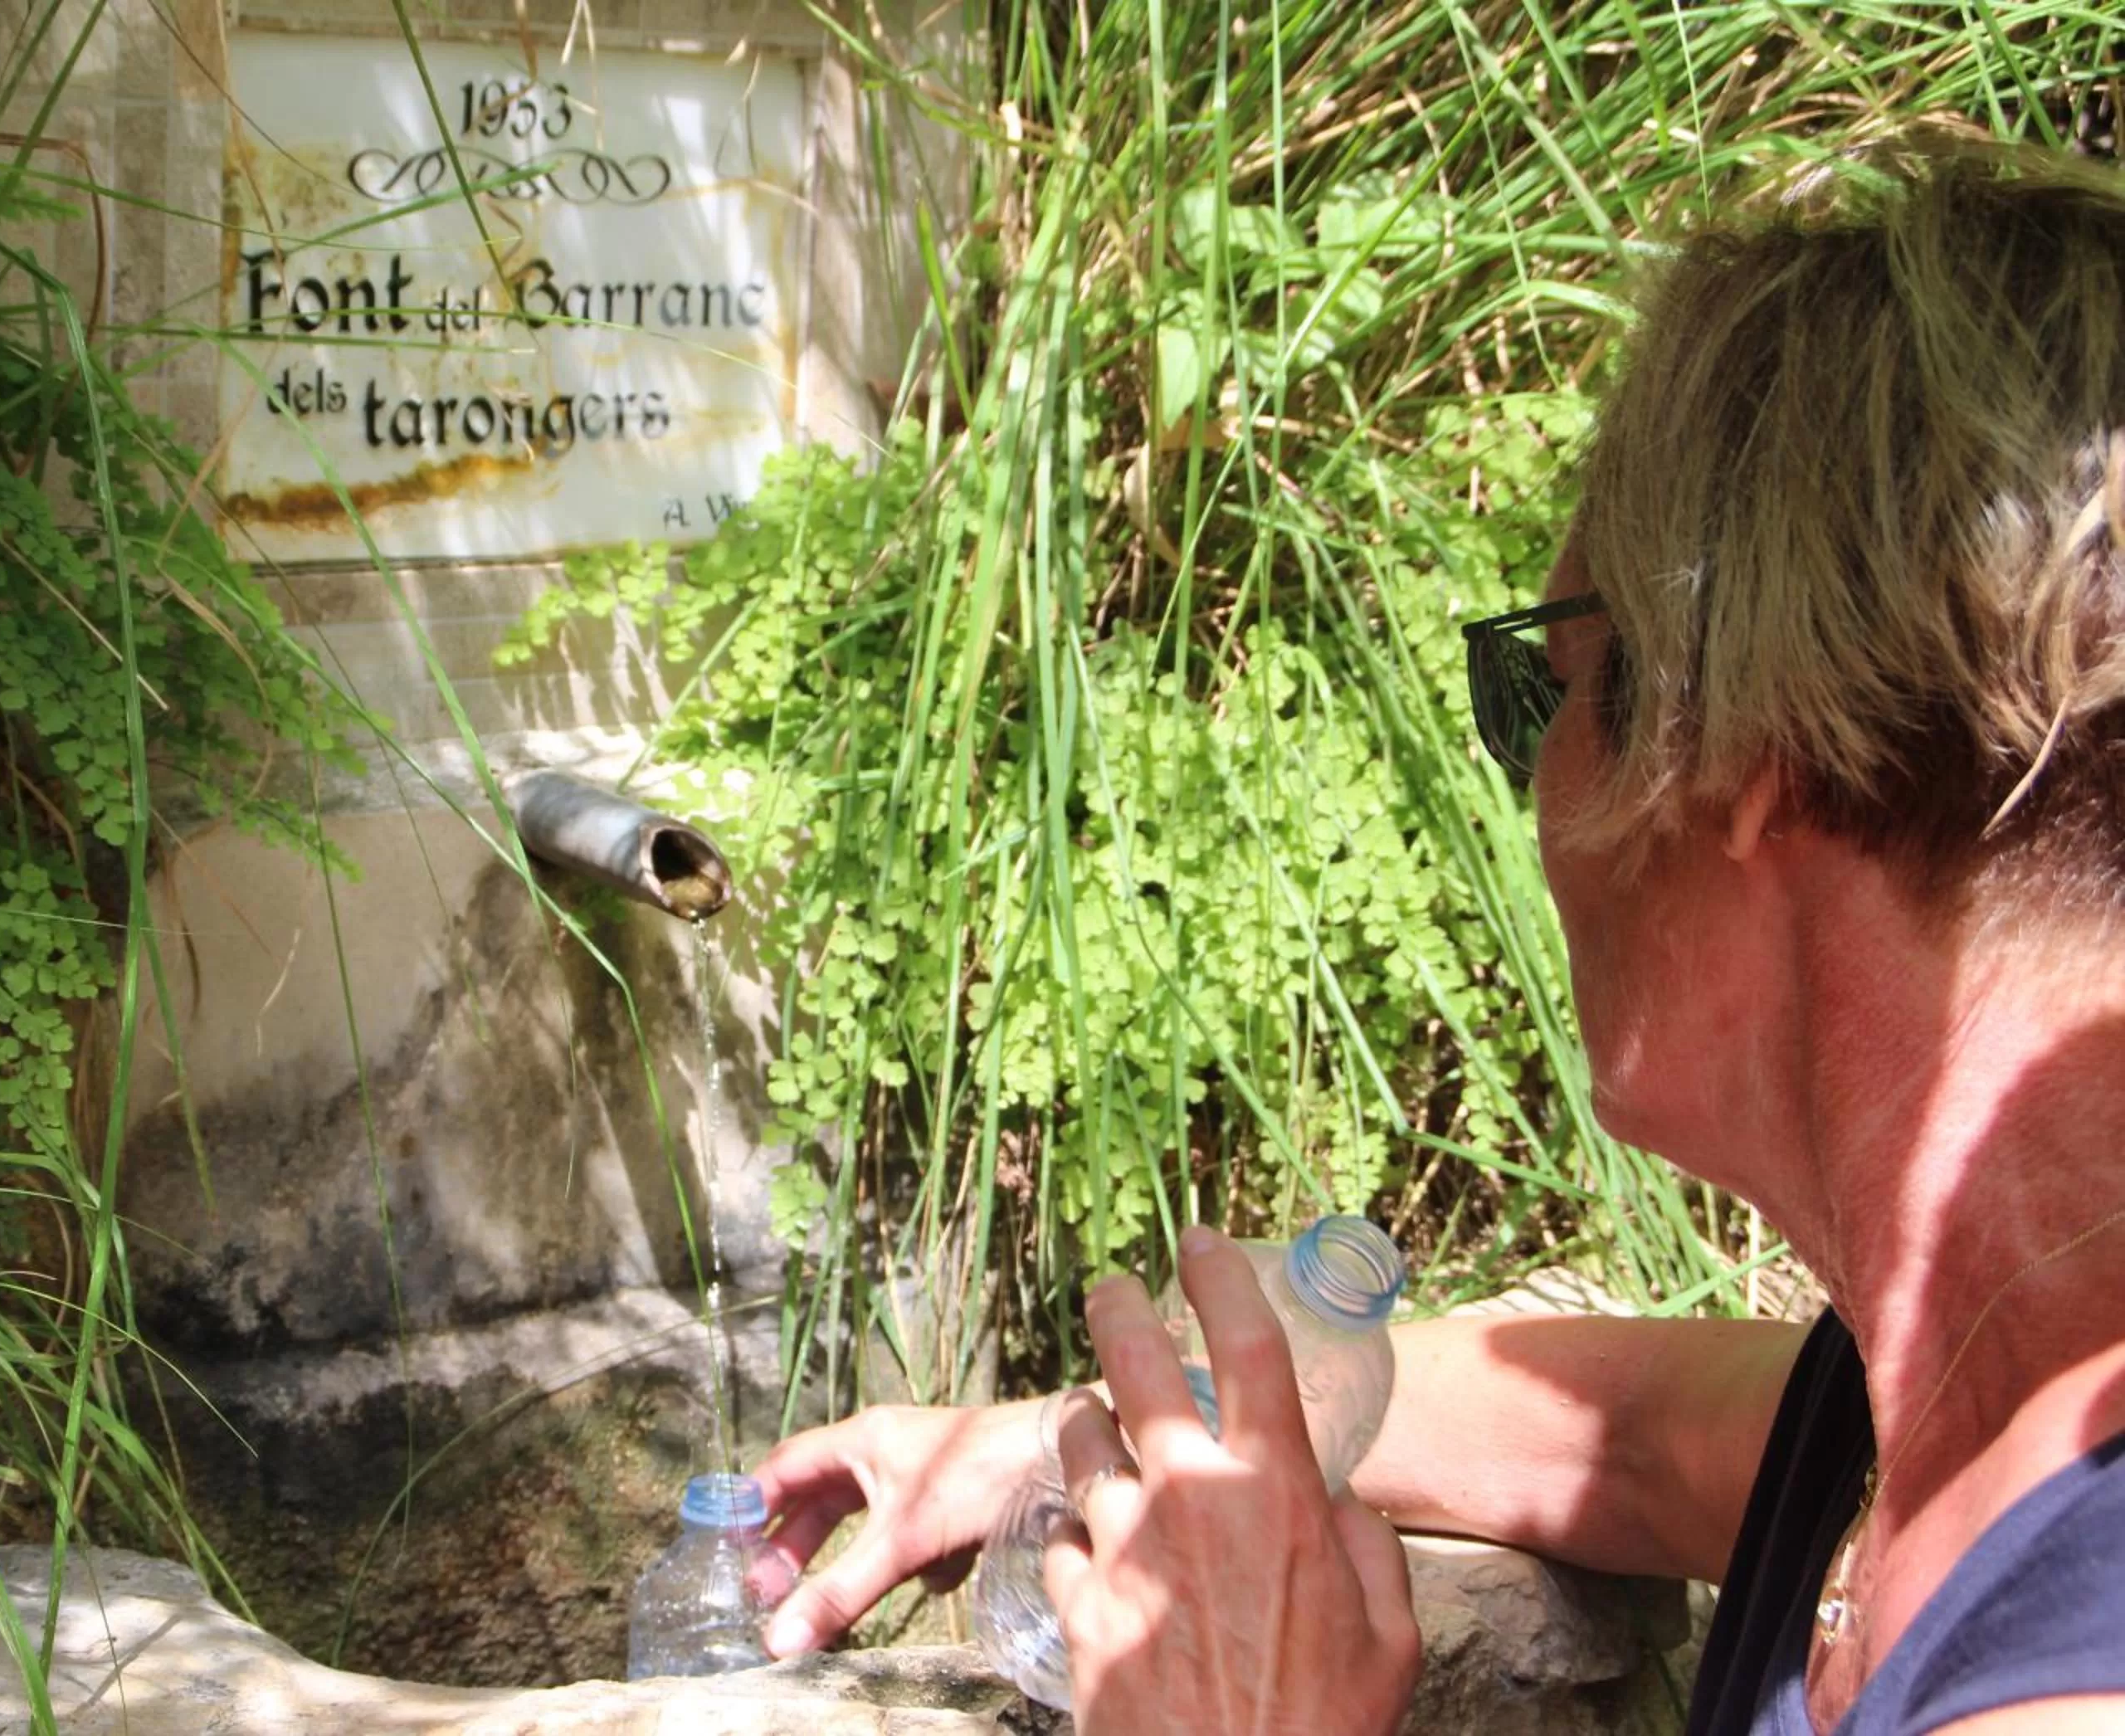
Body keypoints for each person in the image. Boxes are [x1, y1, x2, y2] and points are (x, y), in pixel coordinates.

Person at [748, 145, 2125, 1735]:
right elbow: (1609, 1432)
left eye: (1537, 689)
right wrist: (1066, 1440)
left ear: (1751, 755)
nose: (1530, 785)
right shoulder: (1945, 1393)